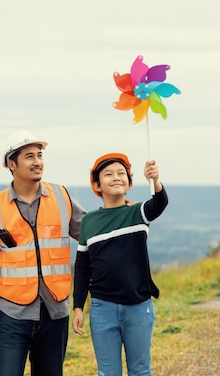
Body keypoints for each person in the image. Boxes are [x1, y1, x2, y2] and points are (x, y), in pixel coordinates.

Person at [0, 130, 87, 376]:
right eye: (29, 156)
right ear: (12, 164)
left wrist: (121, 213)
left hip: (55, 311)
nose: (37, 162)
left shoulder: (62, 197)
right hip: (12, 315)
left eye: (40, 155)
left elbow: (93, 233)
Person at [72, 153, 168, 376]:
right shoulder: (89, 221)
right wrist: (78, 306)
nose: (116, 177)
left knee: (140, 370)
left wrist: (155, 180)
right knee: (107, 373)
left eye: (121, 173)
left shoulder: (138, 212)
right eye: (108, 174)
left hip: (138, 307)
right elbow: (82, 268)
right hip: (101, 308)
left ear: (130, 182)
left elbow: (160, 202)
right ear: (97, 185)